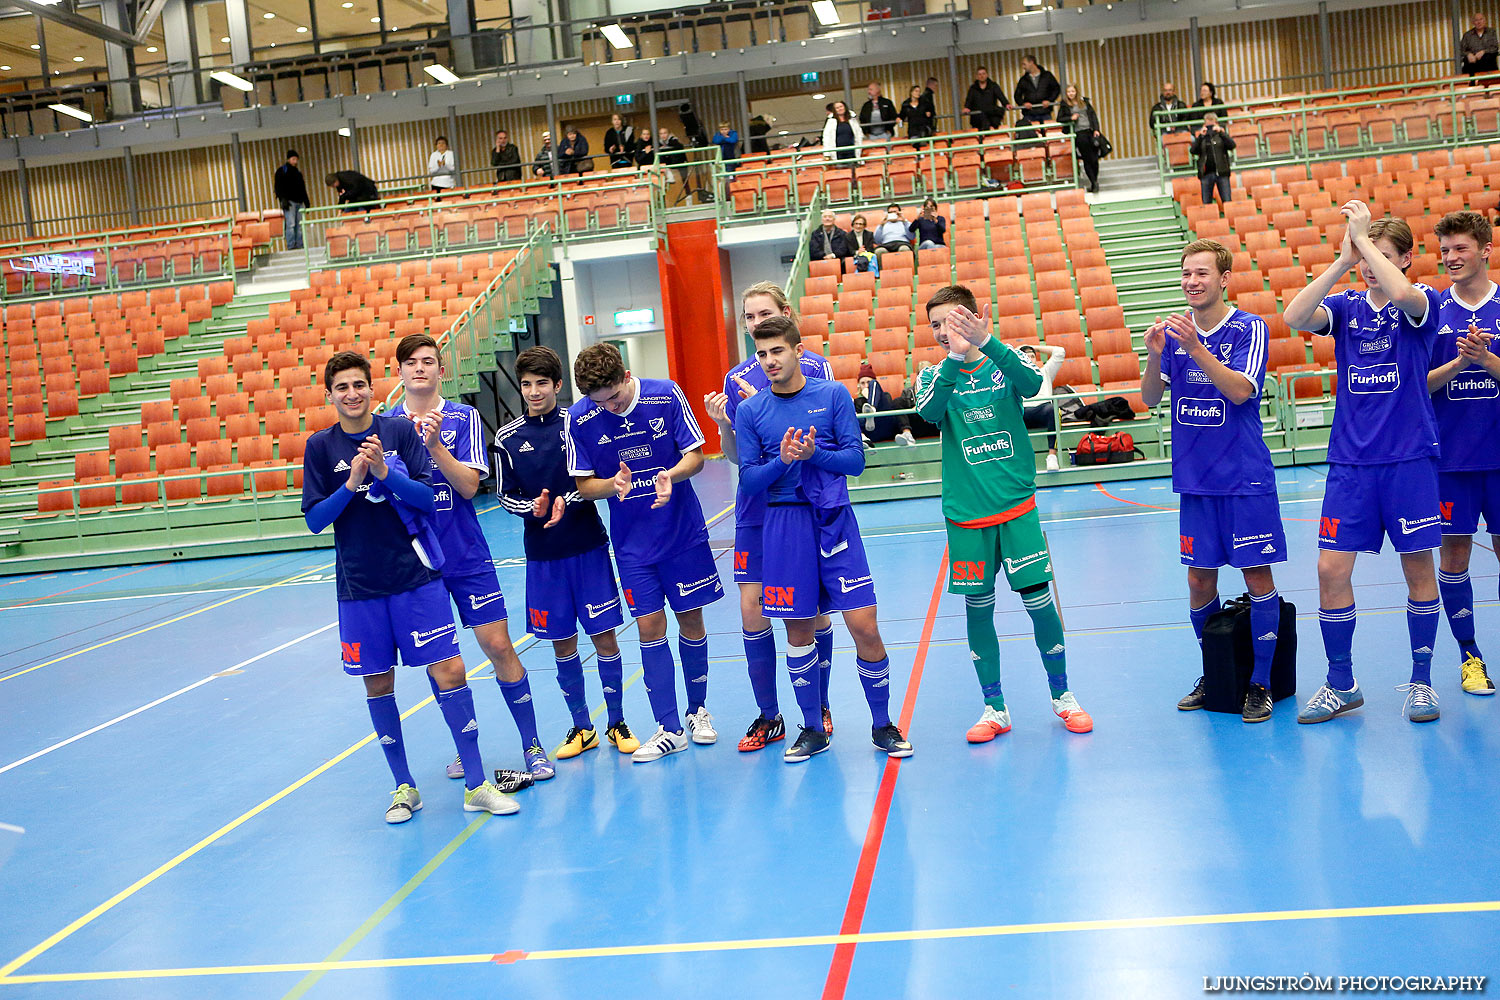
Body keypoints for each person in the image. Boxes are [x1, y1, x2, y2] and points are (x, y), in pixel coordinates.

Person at [300, 352, 516, 822]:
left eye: (359, 385)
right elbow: (316, 520)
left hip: (416, 578)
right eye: (342, 388)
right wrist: (353, 482)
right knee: (378, 684)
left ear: (373, 388)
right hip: (360, 587)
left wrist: (384, 473)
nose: (352, 394)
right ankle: (404, 786)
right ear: (330, 395)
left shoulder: (398, 433)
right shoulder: (320, 447)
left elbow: (426, 498)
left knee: (452, 672)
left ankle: (476, 784)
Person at [1282, 203, 1445, 724]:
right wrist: (1343, 258)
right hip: (1352, 464)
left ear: (1406, 259)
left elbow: (1400, 293)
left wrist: (1367, 242)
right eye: (1368, 257)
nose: (1372, 266)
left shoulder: (1423, 303)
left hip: (1409, 460)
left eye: (1384, 256)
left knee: (1418, 568)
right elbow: (1294, 317)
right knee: (1330, 569)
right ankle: (1340, 681)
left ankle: (1421, 682)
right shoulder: (1349, 309)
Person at [913, 287, 1093, 740]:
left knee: (1039, 604)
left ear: (974, 317)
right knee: (979, 610)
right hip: (966, 516)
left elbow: (1035, 387)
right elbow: (929, 413)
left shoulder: (1006, 358)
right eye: (935, 325)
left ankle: (1063, 696)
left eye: (951, 322)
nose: (942, 332)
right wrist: (954, 358)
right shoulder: (931, 375)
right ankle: (995, 708)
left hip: (1016, 509)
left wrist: (987, 341)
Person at [734, 316, 915, 761]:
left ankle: (882, 724)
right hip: (783, 527)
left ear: (798, 350)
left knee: (863, 626)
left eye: (777, 350)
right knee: (799, 632)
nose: (770, 361)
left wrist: (816, 454)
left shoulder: (832, 395)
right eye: (761, 354)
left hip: (834, 523)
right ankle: (813, 729)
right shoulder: (751, 410)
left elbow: (855, 461)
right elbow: (750, 480)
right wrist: (781, 461)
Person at [387, 333, 553, 784]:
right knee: (444, 662)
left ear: (441, 370)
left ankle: (533, 745)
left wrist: (436, 445)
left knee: (498, 646)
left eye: (428, 362)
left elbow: (466, 487)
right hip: (418, 565)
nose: (420, 369)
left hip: (466, 555)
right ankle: (467, 750)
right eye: (411, 363)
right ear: (399, 371)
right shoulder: (385, 427)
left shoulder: (464, 417)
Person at [1138, 240, 1286, 723]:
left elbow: (1242, 391)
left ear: (1224, 279)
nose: (1192, 282)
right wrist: (1155, 356)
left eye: (1202, 273)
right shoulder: (1173, 334)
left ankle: (1261, 682)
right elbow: (1149, 399)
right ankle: (1217, 673)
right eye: (1186, 274)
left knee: (1256, 577)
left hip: (1244, 480)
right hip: (1196, 482)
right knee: (1199, 581)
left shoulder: (1248, 327)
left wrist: (1196, 349)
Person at [566, 344, 724, 761]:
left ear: (627, 374)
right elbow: (585, 485)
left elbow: (697, 457)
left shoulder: (665, 394)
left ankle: (698, 711)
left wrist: (669, 475)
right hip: (632, 545)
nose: (611, 408)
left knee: (691, 619)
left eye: (616, 398)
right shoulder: (580, 418)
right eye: (602, 403)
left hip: (681, 532)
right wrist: (610, 487)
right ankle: (668, 727)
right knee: (649, 628)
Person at [703, 282, 839, 752]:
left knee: (812, 609)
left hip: (806, 507)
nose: (756, 324)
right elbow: (737, 457)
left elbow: (832, 440)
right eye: (748, 317)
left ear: (786, 313)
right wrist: (725, 423)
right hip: (756, 508)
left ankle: (817, 706)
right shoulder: (736, 377)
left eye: (763, 314)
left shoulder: (817, 368)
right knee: (752, 608)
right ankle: (769, 715)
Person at [494, 346, 641, 758]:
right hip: (543, 557)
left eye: (542, 383)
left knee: (605, 637)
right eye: (526, 384)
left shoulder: (578, 423)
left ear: (558, 385)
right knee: (562, 644)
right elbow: (506, 497)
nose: (534, 391)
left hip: (587, 547)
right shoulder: (506, 438)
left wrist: (566, 501)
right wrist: (535, 509)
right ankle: (582, 727)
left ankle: (616, 722)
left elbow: (592, 480)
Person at [1428, 210, 1498, 695]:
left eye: (1461, 249)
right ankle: (1470, 657)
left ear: (1485, 250)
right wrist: (1459, 361)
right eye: (1446, 249)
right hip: (1451, 461)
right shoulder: (1431, 311)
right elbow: (1417, 385)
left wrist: (1487, 359)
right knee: (1453, 558)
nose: (1451, 257)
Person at [1017, 344, 1064, 470]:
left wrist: (1034, 347)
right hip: (1023, 411)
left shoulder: (1044, 372)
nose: (1030, 358)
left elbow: (1059, 352)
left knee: (1054, 410)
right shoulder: (1014, 376)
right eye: (1026, 356)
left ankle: (1052, 456)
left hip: (1043, 410)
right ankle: (1019, 459)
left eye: (1032, 356)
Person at [1058, 84, 1102, 194]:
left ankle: (1094, 180)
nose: (1071, 94)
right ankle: (1094, 182)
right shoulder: (1064, 105)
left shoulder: (1084, 102)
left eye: (1072, 91)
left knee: (1094, 159)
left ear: (1076, 92)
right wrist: (1070, 118)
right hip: (1079, 133)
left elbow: (1093, 116)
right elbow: (1060, 118)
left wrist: (1096, 129)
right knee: (1087, 158)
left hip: (1090, 131)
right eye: (1068, 92)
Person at [856, 364, 915, 445]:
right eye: (862, 383)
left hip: (887, 427)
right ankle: (864, 439)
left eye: (868, 382)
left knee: (875, 386)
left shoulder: (885, 397)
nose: (866, 386)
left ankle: (871, 408)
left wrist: (868, 396)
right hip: (871, 433)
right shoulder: (857, 402)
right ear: (859, 386)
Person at [1191, 112, 1236, 206]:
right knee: (1207, 203)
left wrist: (1222, 133)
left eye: (1212, 125)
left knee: (1227, 201)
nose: (1210, 128)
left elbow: (1232, 145)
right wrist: (1200, 136)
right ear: (1204, 125)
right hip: (1206, 174)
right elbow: (1193, 150)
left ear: (1217, 124)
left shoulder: (1221, 136)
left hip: (1222, 173)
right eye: (1208, 125)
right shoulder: (1201, 138)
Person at [273, 149, 309, 251]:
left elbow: (302, 188)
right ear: (289, 159)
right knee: (291, 224)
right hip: (289, 202)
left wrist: (306, 201)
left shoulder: (298, 173)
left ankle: (300, 244)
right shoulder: (281, 171)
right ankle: (291, 245)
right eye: (293, 159)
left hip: (299, 201)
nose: (295, 162)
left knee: (299, 224)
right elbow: (278, 187)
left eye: (296, 160)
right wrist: (282, 199)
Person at [1013, 54, 1060, 127]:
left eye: (1024, 64)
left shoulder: (1047, 75)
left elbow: (1056, 89)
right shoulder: (1023, 80)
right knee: (1031, 134)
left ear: (1031, 62)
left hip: (1045, 112)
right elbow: (1017, 95)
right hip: (1029, 114)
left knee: (1048, 134)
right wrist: (1023, 104)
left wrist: (1049, 100)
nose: (1023, 67)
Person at [963, 67, 1007, 131]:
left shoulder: (993, 86)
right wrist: (966, 107)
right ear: (977, 76)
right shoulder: (972, 88)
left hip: (991, 117)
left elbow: (1001, 96)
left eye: (983, 73)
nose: (982, 76)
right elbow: (969, 100)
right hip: (977, 119)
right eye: (980, 74)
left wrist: (1006, 104)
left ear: (987, 75)